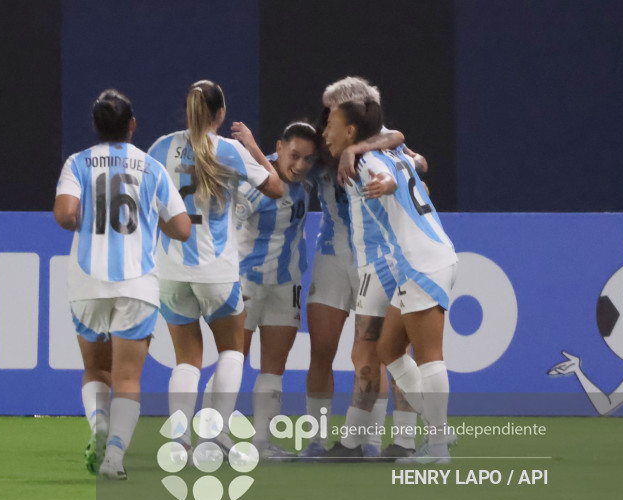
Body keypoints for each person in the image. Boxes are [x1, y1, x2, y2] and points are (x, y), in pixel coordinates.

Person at [54, 89, 191, 480]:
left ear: (96, 126)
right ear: (132, 126)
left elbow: (64, 215)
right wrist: (153, 218)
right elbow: (181, 229)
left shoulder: (77, 163)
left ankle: (98, 424)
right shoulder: (151, 167)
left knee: (96, 371)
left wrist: (87, 216)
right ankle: (114, 457)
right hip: (137, 284)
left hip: (87, 281)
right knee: (128, 377)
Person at [147, 80, 283, 457]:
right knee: (232, 351)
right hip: (217, 271)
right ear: (220, 114)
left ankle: (178, 440)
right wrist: (254, 148)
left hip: (171, 268)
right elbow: (275, 187)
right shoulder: (229, 150)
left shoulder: (161, 147)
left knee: (186, 360)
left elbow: (145, 202)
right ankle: (214, 434)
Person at [324, 98, 459, 464]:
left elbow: (382, 177)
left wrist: (384, 185)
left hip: (421, 262)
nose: (325, 131)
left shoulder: (368, 163)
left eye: (331, 122)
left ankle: (438, 446)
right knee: (389, 350)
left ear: (351, 130)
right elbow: (414, 161)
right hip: (421, 259)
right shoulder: (397, 152)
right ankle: (439, 429)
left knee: (430, 356)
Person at [306, 77, 420, 460]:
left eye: (333, 113)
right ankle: (355, 441)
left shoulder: (377, 149)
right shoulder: (335, 143)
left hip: (392, 258)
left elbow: (415, 158)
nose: (327, 120)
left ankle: (408, 438)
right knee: (369, 350)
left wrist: (358, 152)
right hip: (361, 257)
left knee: (394, 350)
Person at [229, 121, 319, 459]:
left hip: (288, 284)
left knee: (273, 367)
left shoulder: (307, 180)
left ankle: (262, 443)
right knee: (232, 361)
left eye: (308, 159)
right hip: (247, 282)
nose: (300, 166)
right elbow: (227, 227)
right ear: (278, 148)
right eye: (294, 155)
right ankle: (213, 438)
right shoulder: (254, 181)